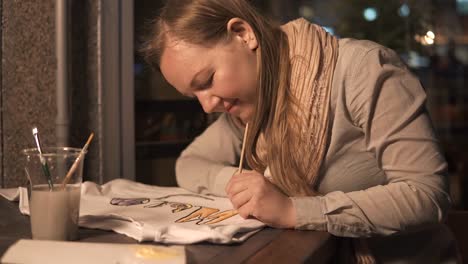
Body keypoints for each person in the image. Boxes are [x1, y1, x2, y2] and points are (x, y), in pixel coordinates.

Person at [142, 0, 458, 263]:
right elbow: (190, 164)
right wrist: (242, 187)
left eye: (207, 80)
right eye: (193, 95)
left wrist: (293, 209)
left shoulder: (362, 69)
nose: (207, 106)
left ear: (243, 34)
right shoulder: (249, 104)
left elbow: (427, 195)